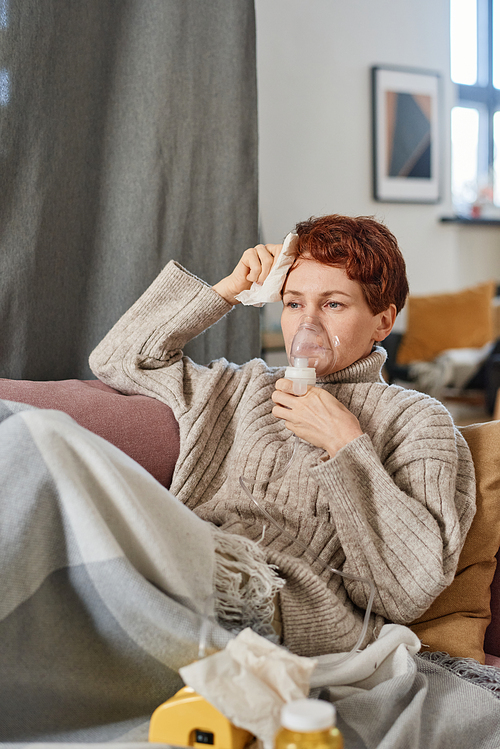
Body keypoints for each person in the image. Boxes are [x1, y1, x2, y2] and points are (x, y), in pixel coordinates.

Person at [88, 213, 476, 659]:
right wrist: (227, 291)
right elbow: (115, 360)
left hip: (288, 606)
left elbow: (405, 594)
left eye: (332, 305)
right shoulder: (242, 386)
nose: (306, 325)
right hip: (184, 558)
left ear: (382, 321)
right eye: (293, 304)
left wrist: (346, 444)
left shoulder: (418, 420)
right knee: (38, 438)